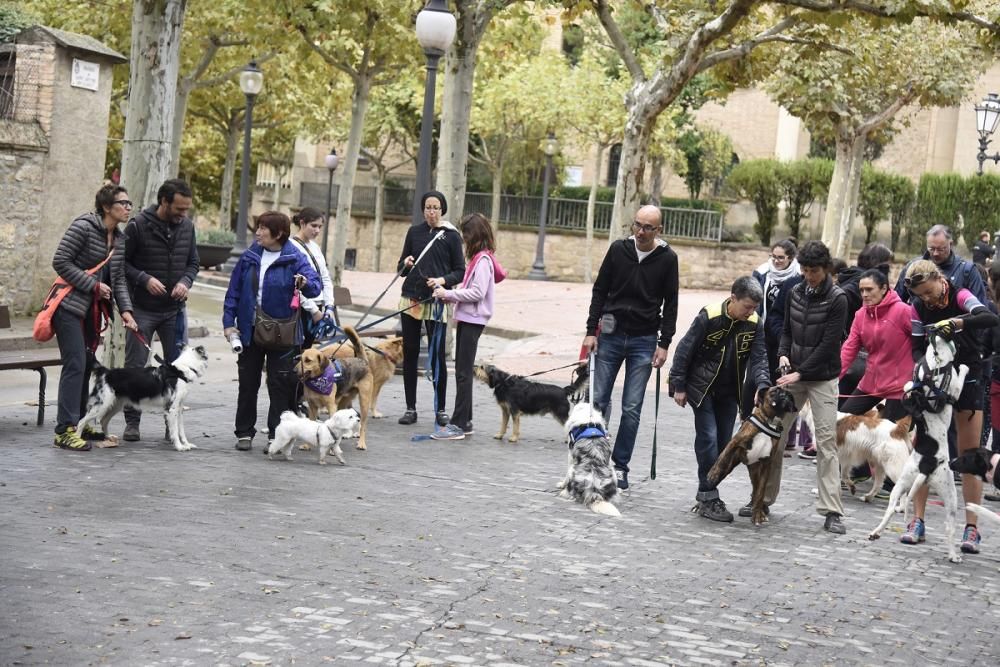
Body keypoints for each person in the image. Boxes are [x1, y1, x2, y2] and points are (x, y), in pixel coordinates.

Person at [901, 260, 999, 551]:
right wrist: (923, 370)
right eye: (922, 295)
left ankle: (971, 528)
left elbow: (988, 318)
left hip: (969, 376)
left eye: (930, 292)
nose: (928, 299)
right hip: (935, 382)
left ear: (939, 278)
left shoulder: (960, 295)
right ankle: (916, 521)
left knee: (970, 456)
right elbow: (917, 347)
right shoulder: (917, 307)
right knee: (925, 450)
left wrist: (957, 323)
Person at [583, 204, 679, 490]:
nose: (641, 231)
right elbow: (600, 290)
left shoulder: (667, 259)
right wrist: (591, 331)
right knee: (597, 401)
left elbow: (671, 303)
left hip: (644, 339)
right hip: (611, 333)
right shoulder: (618, 250)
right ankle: (592, 460)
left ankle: (620, 466)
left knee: (632, 407)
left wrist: (664, 343)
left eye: (648, 227)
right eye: (637, 224)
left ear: (658, 230)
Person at [762, 241, 849, 534]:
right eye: (805, 270)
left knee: (826, 441)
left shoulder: (838, 299)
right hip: (793, 374)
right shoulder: (795, 291)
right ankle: (762, 498)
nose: (808, 275)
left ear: (826, 269)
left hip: (822, 377)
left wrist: (800, 374)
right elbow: (785, 329)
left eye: (814, 271)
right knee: (775, 434)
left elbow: (829, 346)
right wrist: (783, 354)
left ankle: (832, 510)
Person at [669, 276, 769, 522]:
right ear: (733, 298)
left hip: (730, 391)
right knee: (709, 437)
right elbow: (685, 349)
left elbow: (759, 358)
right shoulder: (710, 315)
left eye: (755, 308)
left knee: (725, 445)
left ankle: (706, 493)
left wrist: (763, 384)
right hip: (701, 388)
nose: (751, 312)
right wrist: (678, 385)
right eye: (747, 306)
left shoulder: (755, 323)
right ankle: (708, 496)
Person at [223, 211, 322, 452]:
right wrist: (228, 323)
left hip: (283, 333)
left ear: (278, 233)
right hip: (249, 330)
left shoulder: (294, 257)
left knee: (280, 385)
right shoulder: (249, 256)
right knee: (248, 383)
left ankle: (276, 435)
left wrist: (305, 283)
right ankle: (244, 432)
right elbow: (233, 291)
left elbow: (315, 285)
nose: (257, 232)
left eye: (262, 229)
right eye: (257, 227)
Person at [50, 185, 139, 451]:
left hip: (91, 311)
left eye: (129, 203)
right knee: (76, 363)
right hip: (68, 307)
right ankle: (64, 430)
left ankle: (80, 424)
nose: (128, 208)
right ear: (106, 207)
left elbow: (119, 279)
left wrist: (126, 311)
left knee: (87, 365)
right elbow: (61, 261)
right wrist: (93, 286)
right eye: (123, 203)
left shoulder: (120, 240)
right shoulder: (84, 227)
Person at [119, 178, 200, 442]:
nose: (183, 214)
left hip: (174, 311)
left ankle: (171, 424)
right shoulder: (138, 226)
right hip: (142, 309)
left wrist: (185, 282)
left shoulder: (187, 227)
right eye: (179, 208)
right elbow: (120, 264)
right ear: (164, 202)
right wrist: (144, 278)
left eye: (186, 209)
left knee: (177, 370)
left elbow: (193, 263)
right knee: (135, 366)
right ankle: (132, 423)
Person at [430, 213, 507, 440]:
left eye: (465, 234)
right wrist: (451, 297)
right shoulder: (481, 259)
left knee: (463, 373)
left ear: (474, 235)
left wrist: (449, 293)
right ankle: (467, 420)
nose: (463, 239)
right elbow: (471, 290)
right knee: (463, 372)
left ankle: (459, 424)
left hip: (473, 319)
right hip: (469, 318)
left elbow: (477, 292)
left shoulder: (482, 261)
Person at [396, 190, 465, 428]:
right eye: (427, 207)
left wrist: (442, 280)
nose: (431, 211)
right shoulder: (414, 232)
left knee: (436, 356)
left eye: (435, 207)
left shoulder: (451, 236)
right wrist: (405, 264)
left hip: (436, 301)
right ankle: (410, 408)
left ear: (442, 209)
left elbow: (460, 271)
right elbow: (401, 266)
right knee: (411, 352)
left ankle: (441, 409)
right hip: (411, 300)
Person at [840, 269, 912, 421]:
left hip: (900, 386)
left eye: (869, 289)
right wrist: (833, 378)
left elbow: (923, 339)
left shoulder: (903, 311)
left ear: (884, 288)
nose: (864, 294)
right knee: (843, 422)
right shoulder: (860, 315)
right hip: (871, 382)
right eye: (861, 290)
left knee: (891, 436)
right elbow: (849, 349)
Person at [894, 225, 987, 305]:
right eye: (931, 248)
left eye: (940, 249)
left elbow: (981, 310)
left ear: (951, 244)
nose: (935, 253)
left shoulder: (967, 271)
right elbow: (897, 302)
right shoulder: (913, 267)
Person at [289, 207, 335, 346]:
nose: (317, 230)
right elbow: (292, 284)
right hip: (300, 310)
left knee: (307, 352)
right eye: (313, 226)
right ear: (302, 224)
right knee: (296, 352)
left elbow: (325, 277)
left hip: (319, 307)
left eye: (320, 227)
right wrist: (313, 310)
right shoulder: (291, 246)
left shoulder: (315, 247)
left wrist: (329, 307)